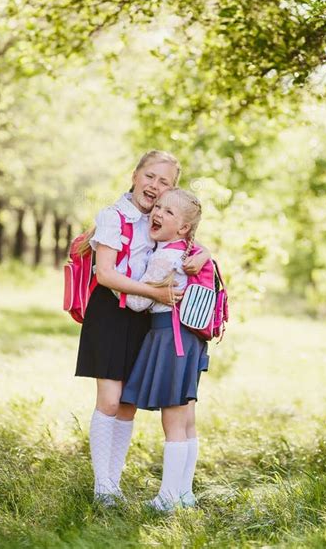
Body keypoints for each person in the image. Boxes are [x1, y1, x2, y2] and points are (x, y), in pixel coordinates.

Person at [74, 151, 209, 504]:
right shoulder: (113, 216)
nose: (155, 186)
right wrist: (155, 292)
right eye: (150, 176)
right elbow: (105, 274)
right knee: (109, 399)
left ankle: (114, 483)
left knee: (127, 405)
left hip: (144, 316)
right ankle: (103, 486)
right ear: (135, 175)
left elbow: (185, 241)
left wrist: (204, 252)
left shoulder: (160, 219)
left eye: (164, 182)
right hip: (111, 310)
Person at [121, 188, 208, 511]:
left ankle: (167, 498)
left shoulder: (163, 258)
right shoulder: (189, 252)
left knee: (172, 422)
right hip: (189, 339)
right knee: (186, 420)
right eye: (158, 207)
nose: (158, 213)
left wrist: (132, 274)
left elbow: (137, 301)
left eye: (169, 212)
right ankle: (184, 493)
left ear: (183, 228)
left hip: (168, 338)